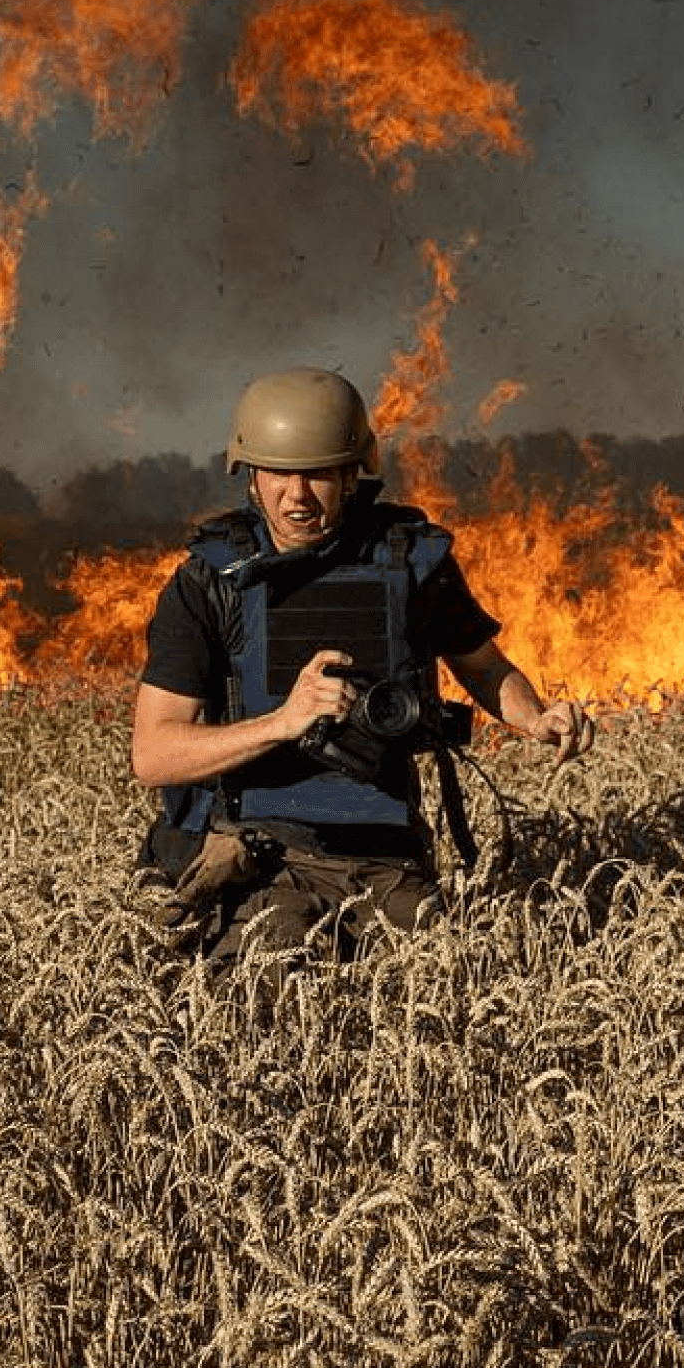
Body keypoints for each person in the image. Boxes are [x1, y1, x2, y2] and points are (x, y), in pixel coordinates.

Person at [131, 365, 593, 961]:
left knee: (453, 994)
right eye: (278, 472)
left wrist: (535, 719)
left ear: (353, 473)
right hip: (259, 856)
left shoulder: (407, 561)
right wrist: (284, 721)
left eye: (319, 472)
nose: (296, 496)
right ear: (249, 475)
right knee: (265, 998)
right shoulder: (210, 582)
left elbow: (481, 664)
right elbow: (154, 754)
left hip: (385, 856)